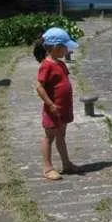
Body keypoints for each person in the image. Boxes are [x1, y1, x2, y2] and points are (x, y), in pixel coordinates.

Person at [34, 27, 81, 180]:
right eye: (65, 47)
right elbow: (39, 86)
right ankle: (47, 168)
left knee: (61, 135)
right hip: (52, 109)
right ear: (56, 48)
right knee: (49, 137)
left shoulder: (60, 64)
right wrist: (50, 104)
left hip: (63, 108)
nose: (67, 50)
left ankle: (66, 164)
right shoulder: (46, 65)